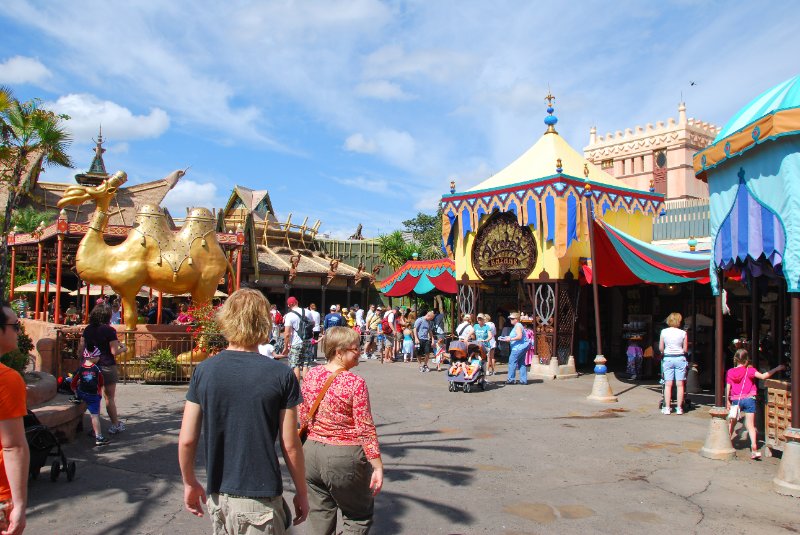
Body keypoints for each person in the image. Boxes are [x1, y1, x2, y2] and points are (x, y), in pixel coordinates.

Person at [179, 289, 308, 533]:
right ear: (264, 323)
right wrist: (302, 492)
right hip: (260, 498)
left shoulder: (204, 371)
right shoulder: (281, 375)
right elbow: (290, 444)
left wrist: (189, 482)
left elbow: (187, 440)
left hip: (218, 496)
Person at [299, 327, 383, 534]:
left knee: (320, 514)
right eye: (355, 349)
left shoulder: (312, 374)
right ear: (339, 352)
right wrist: (377, 465)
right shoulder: (355, 383)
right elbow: (365, 427)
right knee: (357, 517)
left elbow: (302, 414)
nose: (360, 352)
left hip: (311, 452)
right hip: (344, 456)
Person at [0, 301, 29, 535]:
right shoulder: (6, 380)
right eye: (15, 326)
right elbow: (13, 447)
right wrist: (19, 504)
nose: (20, 332)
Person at [726, 349, 785, 459]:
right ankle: (754, 448)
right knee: (751, 425)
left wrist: (727, 401)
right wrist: (777, 368)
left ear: (735, 359)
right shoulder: (750, 370)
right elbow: (763, 376)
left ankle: (727, 442)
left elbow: (728, 387)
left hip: (736, 400)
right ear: (747, 360)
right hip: (749, 399)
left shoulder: (730, 372)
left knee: (732, 422)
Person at [78, 304, 128, 435]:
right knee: (109, 398)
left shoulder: (88, 329)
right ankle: (115, 425)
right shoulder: (109, 330)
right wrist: (124, 348)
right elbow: (114, 351)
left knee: (94, 396)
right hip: (106, 366)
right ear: (108, 316)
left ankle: (96, 428)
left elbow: (80, 349)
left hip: (91, 367)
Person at [70, 348, 110, 446]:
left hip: (82, 393)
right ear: (93, 357)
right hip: (93, 395)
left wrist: (75, 390)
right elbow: (101, 382)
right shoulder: (97, 369)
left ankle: (77, 397)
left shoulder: (81, 368)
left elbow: (74, 381)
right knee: (95, 416)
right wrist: (100, 392)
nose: (99, 358)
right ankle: (98, 436)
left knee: (80, 392)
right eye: (98, 356)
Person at [659, 312, 688, 415]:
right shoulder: (683, 333)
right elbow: (685, 349)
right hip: (680, 358)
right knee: (680, 385)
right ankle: (679, 408)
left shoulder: (664, 332)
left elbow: (661, 348)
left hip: (668, 358)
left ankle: (667, 407)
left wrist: (665, 351)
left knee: (668, 384)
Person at [281, 297, 315, 382]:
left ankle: (297, 388)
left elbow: (287, 334)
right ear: (297, 302)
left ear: (289, 305)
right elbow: (312, 324)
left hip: (296, 342)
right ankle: (306, 386)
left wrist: (285, 347)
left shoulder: (289, 315)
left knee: (295, 364)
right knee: (305, 364)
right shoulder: (307, 311)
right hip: (308, 340)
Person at [501, 312, 530, 385]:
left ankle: (511, 379)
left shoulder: (517, 326)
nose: (510, 320)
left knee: (512, 362)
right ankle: (523, 380)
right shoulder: (518, 325)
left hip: (518, 348)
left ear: (516, 319)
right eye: (510, 318)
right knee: (521, 363)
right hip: (522, 346)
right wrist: (509, 338)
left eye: (512, 318)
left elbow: (519, 336)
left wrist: (510, 339)